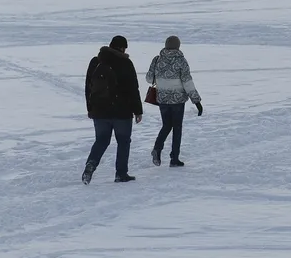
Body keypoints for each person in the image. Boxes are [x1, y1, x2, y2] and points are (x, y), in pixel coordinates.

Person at [83, 36, 143, 184]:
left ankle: (90, 164)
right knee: (123, 142)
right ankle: (121, 174)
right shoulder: (126, 63)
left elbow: (88, 87)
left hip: (99, 111)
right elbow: (133, 89)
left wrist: (90, 107)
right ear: (122, 48)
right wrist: (138, 110)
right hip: (122, 112)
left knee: (101, 140)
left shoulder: (96, 62)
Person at [146, 36, 204, 167]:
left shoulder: (157, 60)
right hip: (178, 100)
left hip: (162, 99)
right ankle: (174, 158)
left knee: (166, 125)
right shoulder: (181, 61)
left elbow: (149, 79)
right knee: (177, 128)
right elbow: (187, 82)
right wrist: (197, 101)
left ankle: (157, 148)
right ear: (178, 46)